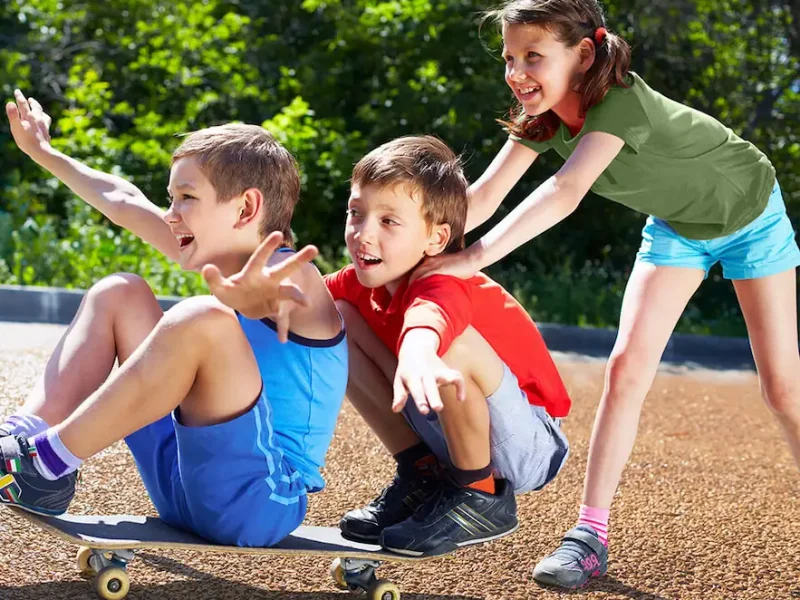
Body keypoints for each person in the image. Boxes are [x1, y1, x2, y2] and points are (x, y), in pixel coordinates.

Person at [410, 0, 800, 588]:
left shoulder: (619, 104)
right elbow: (483, 197)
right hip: (675, 227)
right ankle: (589, 536)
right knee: (624, 368)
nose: (517, 73)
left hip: (751, 214)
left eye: (533, 57)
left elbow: (567, 192)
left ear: (583, 54)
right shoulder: (539, 117)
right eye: (510, 58)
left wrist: (470, 258)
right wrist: (413, 240)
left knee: (782, 388)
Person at [0, 90, 348, 548]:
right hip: (183, 477)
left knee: (202, 317)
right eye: (171, 197)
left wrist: (240, 301)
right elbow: (121, 200)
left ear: (245, 208)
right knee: (120, 292)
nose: (170, 213)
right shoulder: (217, 257)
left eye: (186, 197)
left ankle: (46, 463)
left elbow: (272, 298)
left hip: (260, 499)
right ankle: (27, 441)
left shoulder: (295, 275)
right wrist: (43, 152)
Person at [218, 134, 572, 557]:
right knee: (333, 318)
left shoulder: (445, 280)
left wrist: (420, 351)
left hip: (528, 446)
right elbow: (306, 299)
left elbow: (432, 318)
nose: (364, 234)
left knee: (450, 347)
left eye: (389, 222)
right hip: (450, 426)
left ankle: (480, 495)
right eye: (356, 213)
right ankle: (422, 472)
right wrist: (243, 301)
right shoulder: (356, 283)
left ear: (436, 240)